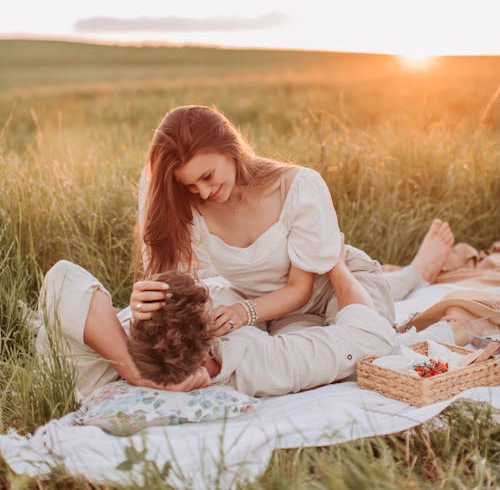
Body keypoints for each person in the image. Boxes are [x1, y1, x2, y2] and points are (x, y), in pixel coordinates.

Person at [132, 105, 454, 337]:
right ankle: (409, 274)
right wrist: (143, 299)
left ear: (229, 148)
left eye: (207, 176)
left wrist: (245, 312)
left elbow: (301, 289)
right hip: (277, 308)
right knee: (297, 352)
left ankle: (416, 272)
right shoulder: (187, 205)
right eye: (190, 185)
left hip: (334, 280)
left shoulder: (297, 185)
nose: (203, 192)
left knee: (362, 340)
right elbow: (165, 274)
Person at [36, 244, 398, 399]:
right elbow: (372, 337)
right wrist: (331, 260)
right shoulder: (258, 363)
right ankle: (417, 272)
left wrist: (134, 372)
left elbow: (64, 277)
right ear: (212, 336)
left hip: (248, 285)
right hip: (318, 291)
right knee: (375, 295)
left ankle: (410, 273)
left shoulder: (93, 367)